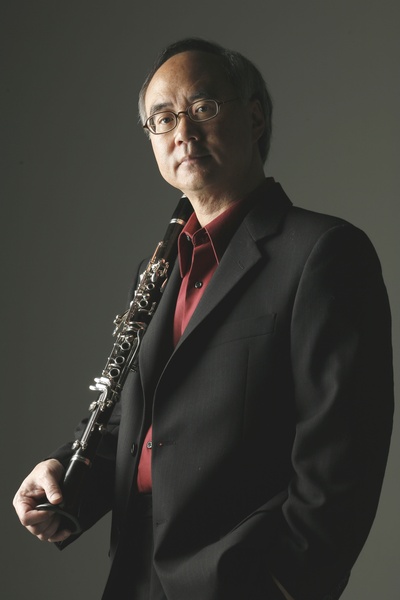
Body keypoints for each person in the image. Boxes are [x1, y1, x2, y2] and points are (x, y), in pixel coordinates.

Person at [13, 38, 394, 600]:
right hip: (135, 574)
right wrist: (66, 477)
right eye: (163, 119)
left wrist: (284, 587)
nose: (183, 132)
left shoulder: (324, 252)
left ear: (255, 116)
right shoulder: (159, 266)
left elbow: (344, 457)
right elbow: (140, 423)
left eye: (203, 107)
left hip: (243, 579)